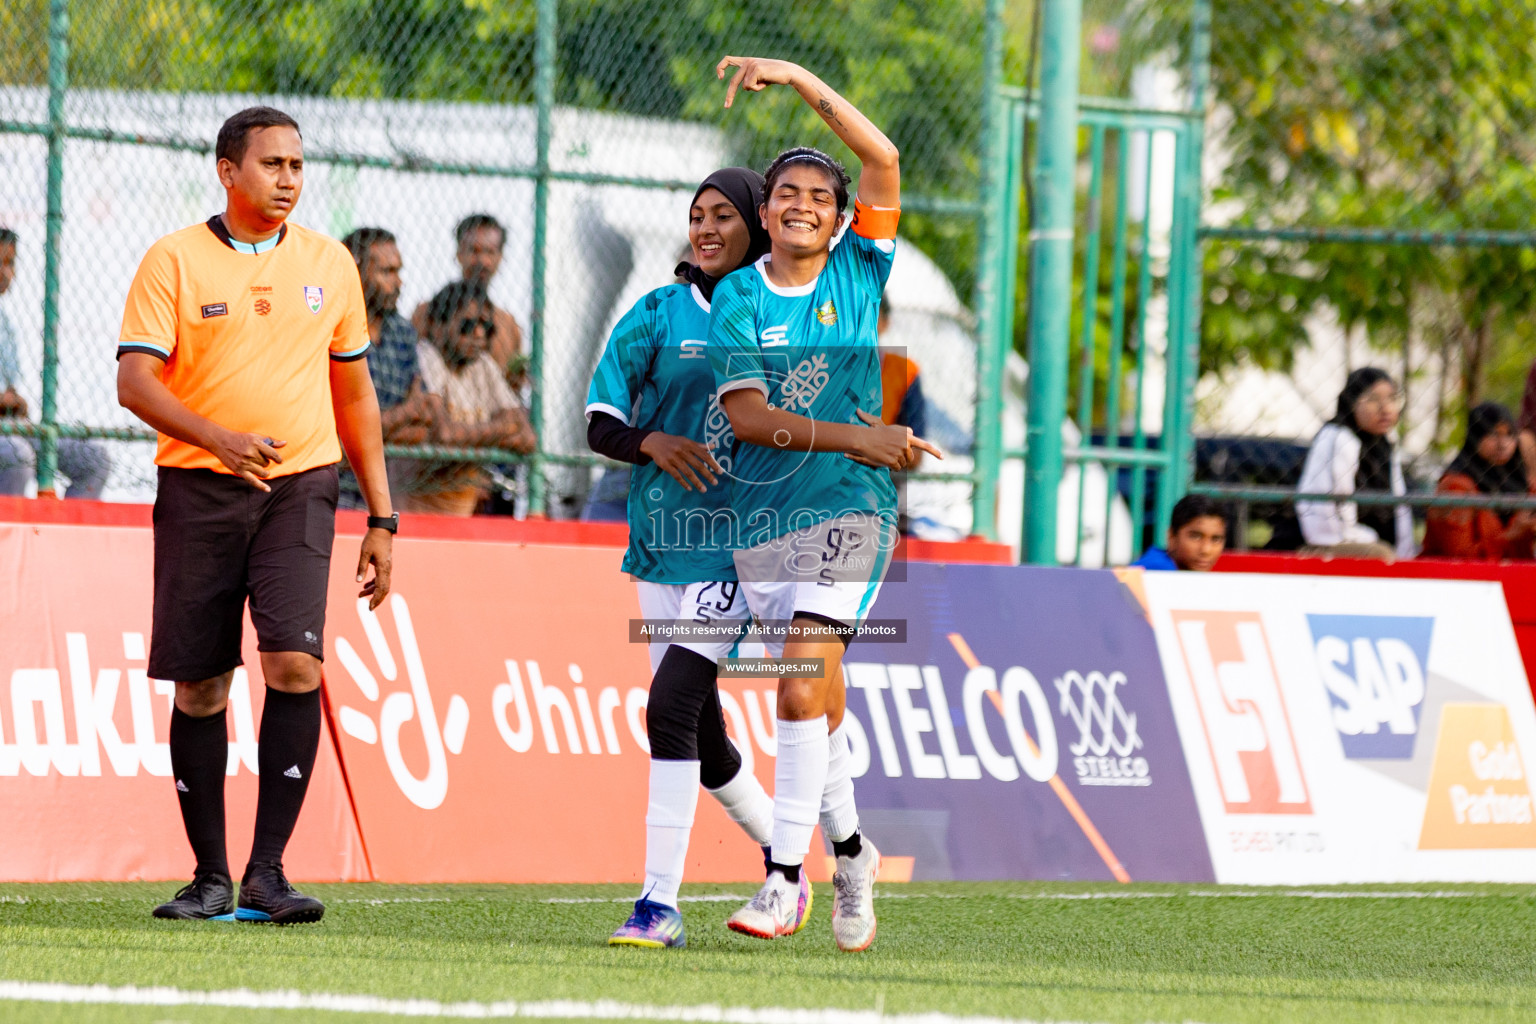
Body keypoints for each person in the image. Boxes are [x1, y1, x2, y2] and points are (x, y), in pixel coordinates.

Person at [675, 56, 939, 952]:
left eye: (818, 197)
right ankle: (853, 855)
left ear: (840, 220)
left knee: (796, 679)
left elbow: (885, 156)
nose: (800, 204)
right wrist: (861, 433)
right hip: (765, 521)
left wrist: (796, 80)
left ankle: (784, 884)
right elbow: (746, 419)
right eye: (785, 192)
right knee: (817, 705)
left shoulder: (862, 269)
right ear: (767, 212)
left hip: (851, 513)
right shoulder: (740, 295)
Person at [116, 106, 396, 924]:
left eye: (297, 166)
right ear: (226, 170)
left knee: (295, 666)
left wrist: (384, 517)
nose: (287, 179)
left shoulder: (329, 264)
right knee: (202, 685)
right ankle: (207, 877)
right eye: (271, 164)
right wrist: (219, 439)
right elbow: (134, 383)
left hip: (301, 487)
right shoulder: (173, 260)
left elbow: (355, 395)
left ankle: (267, 875)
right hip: (199, 489)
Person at [586, 167, 778, 949]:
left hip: (736, 554)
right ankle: (786, 854)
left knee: (666, 712)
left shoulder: (777, 314)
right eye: (696, 215)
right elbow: (599, 422)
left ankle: (658, 905)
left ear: (756, 228)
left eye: (723, 215)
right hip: (661, 549)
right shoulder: (658, 313)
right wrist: (652, 443)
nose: (704, 227)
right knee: (704, 736)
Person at [0, 226, 112, 499]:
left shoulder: (6, 326)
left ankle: (61, 540)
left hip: (9, 427)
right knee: (17, 455)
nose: (5, 273)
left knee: (94, 460)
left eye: (10, 263)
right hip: (8, 440)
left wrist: (14, 401)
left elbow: (9, 390)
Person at [410, 280, 535, 516]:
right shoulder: (427, 356)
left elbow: (526, 437)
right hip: (415, 513)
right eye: (467, 326)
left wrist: (466, 436)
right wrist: (500, 429)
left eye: (486, 328)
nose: (478, 334)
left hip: (461, 514)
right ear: (438, 326)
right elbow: (445, 435)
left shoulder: (481, 364)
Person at [338, 227, 440, 509]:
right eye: (387, 272)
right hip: (336, 488)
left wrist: (369, 431)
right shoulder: (330, 330)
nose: (399, 282)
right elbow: (336, 437)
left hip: (386, 487)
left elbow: (423, 422)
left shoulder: (402, 332)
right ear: (356, 272)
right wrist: (404, 413)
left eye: (398, 271)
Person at [1295, 366, 1414, 560]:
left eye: (1392, 399)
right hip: (1326, 543)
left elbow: (1399, 508)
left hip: (1372, 543)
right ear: (1352, 402)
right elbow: (1328, 516)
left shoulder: (1386, 443)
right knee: (1380, 556)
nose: (1385, 408)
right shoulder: (1338, 437)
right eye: (1374, 399)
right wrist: (1369, 541)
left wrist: (1405, 551)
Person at [411, 214, 525, 388]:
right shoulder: (428, 313)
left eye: (490, 252)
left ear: (500, 257)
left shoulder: (508, 326)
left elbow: (513, 390)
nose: (482, 261)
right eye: (474, 251)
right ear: (459, 254)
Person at [1422, 402, 1536, 560]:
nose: (1503, 444)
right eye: (1494, 434)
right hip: (1461, 580)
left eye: (1509, 434)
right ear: (1475, 437)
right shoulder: (1456, 486)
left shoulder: (1521, 483)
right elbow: (1457, 558)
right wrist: (1511, 535)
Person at [878, 298, 927, 470]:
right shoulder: (822, 365)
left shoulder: (904, 371)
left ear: (885, 323)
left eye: (872, 315)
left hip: (879, 477)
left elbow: (915, 455)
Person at [1133, 494, 1228, 570]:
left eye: (1216, 539)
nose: (1206, 550)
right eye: (1195, 537)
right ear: (1171, 536)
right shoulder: (1157, 570)